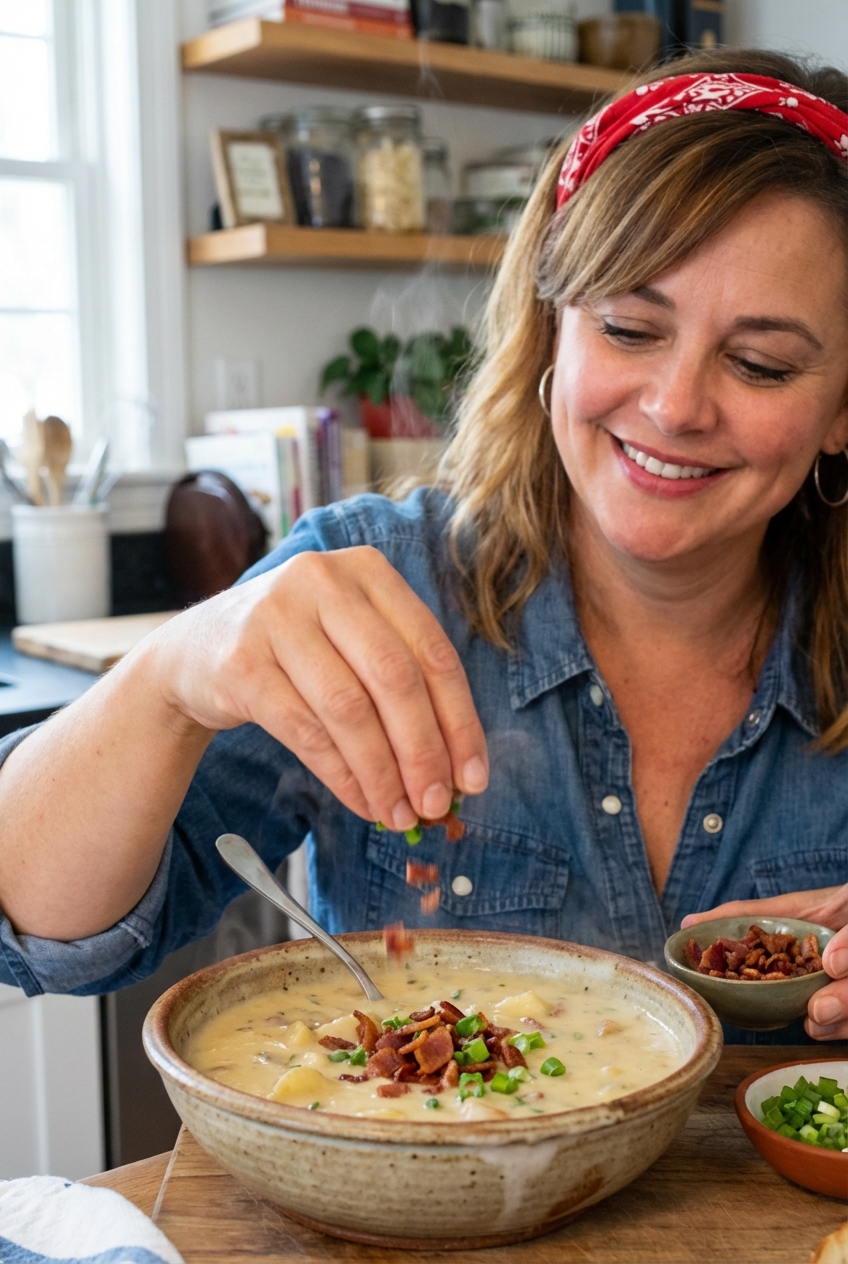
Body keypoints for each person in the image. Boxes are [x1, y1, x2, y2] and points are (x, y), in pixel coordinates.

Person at [0, 49, 845, 1045]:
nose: (672, 406)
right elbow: (47, 938)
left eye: (757, 363)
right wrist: (171, 675)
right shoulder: (379, 582)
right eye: (626, 328)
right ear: (551, 331)